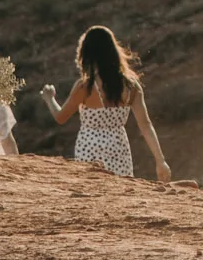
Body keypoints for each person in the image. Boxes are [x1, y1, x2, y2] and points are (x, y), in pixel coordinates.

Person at [42, 26, 170, 181]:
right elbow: (146, 125)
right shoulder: (131, 86)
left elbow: (60, 117)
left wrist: (49, 98)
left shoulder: (85, 86)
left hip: (89, 149)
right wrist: (160, 161)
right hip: (119, 149)